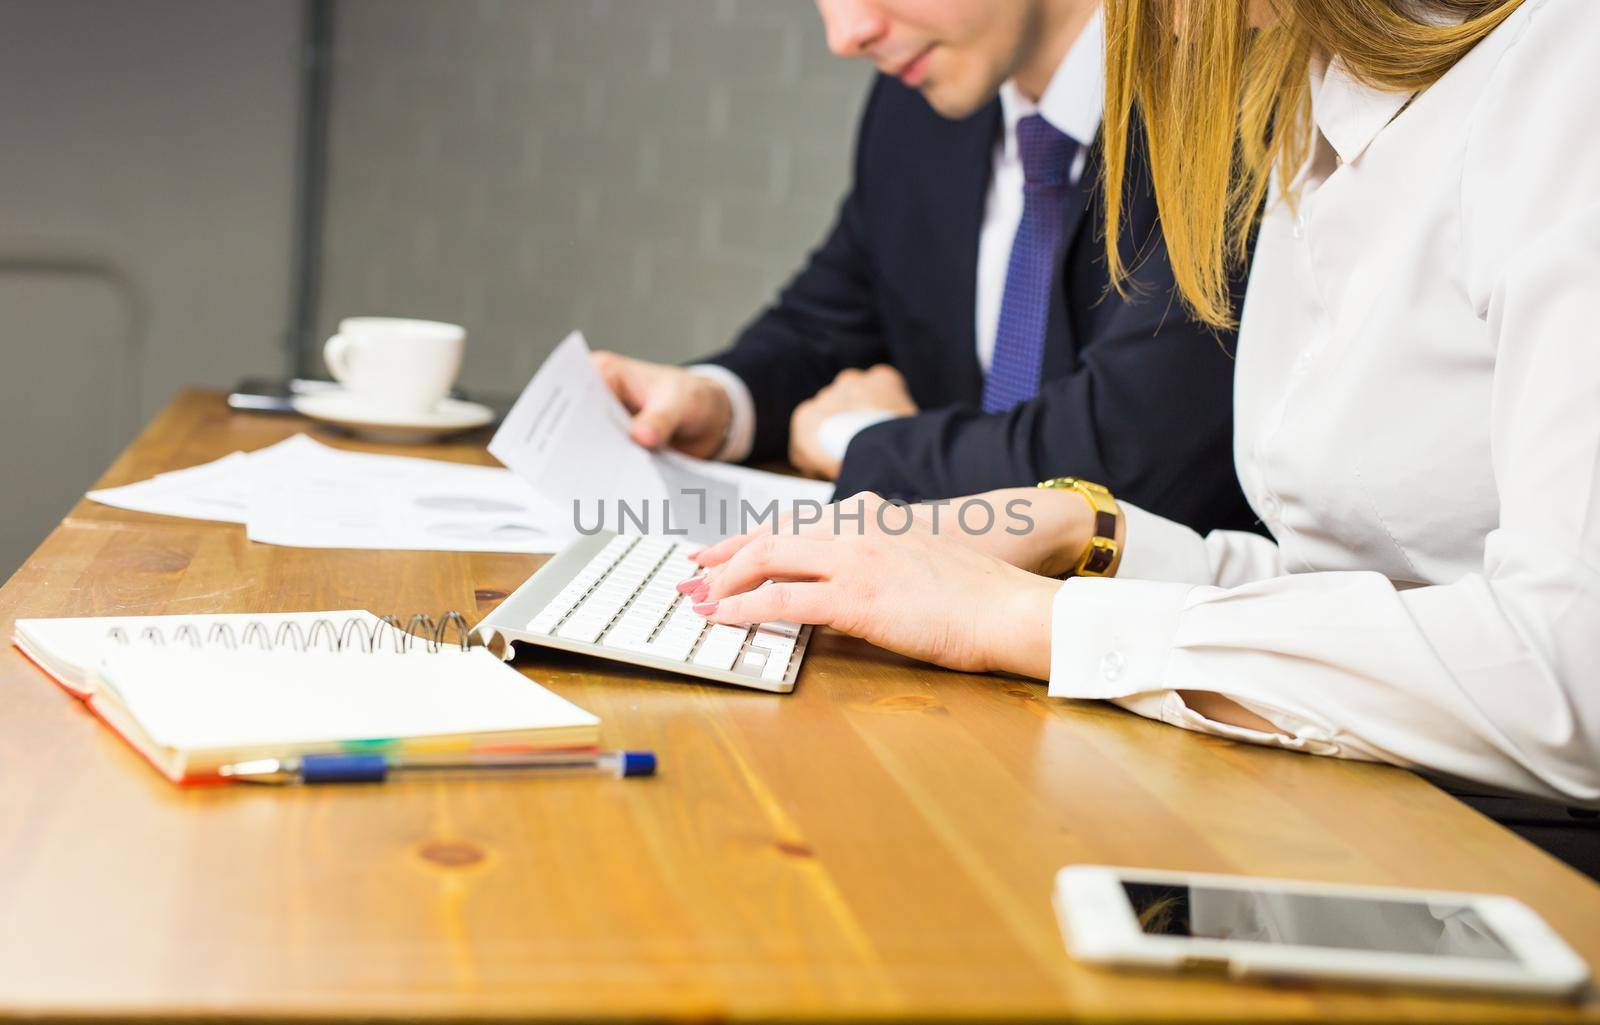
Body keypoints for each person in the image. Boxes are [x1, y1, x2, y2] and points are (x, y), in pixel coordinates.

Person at [682, 0, 1600, 863]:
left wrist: (1028, 619)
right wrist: (1093, 534)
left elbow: (1570, 676)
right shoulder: (1295, 97)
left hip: (1524, 857)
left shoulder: (1562, 75)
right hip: (1375, 812)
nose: (845, 30)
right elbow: (1359, 591)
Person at [590, 0, 1255, 536]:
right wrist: (720, 400)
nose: (845, 33)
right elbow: (834, 317)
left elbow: (1124, 472)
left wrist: (862, 440)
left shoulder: (1227, 109)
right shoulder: (921, 108)